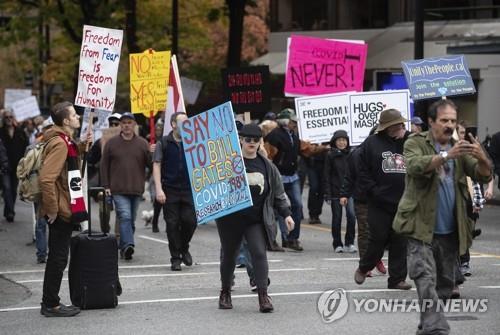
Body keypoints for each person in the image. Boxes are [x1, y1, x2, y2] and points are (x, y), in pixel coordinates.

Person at [393, 99, 492, 335]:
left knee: (445, 287)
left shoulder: (460, 147)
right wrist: (446, 156)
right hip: (420, 228)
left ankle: (427, 327)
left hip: (451, 231)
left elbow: (483, 175)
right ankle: (436, 329)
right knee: (425, 278)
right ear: (431, 122)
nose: (449, 125)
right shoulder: (415, 142)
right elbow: (415, 166)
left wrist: (481, 157)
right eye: (444, 120)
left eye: (453, 121)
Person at [217, 123, 294, 313]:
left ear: (260, 142)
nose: (251, 143)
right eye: (248, 139)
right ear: (240, 140)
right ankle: (225, 291)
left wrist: (287, 214)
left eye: (255, 140)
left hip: (255, 219)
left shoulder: (268, 167)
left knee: (259, 253)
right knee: (229, 256)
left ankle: (263, 295)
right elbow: (213, 187)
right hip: (230, 219)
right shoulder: (228, 163)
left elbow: (278, 193)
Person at [39, 101, 90, 317]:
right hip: (60, 210)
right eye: (74, 115)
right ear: (66, 121)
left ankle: (50, 301)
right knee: (58, 259)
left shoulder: (67, 142)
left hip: (63, 206)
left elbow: (66, 167)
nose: (78, 117)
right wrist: (52, 210)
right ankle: (51, 304)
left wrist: (81, 147)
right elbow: (46, 179)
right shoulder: (61, 143)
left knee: (58, 258)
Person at [354, 109, 412, 290]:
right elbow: (359, 166)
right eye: (397, 124)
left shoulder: (410, 141)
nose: (401, 127)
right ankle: (364, 267)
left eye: (402, 124)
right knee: (378, 238)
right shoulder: (372, 143)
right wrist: (373, 189)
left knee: (400, 241)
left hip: (403, 202)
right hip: (379, 202)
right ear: (388, 127)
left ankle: (397, 279)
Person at [101, 112, 151, 261]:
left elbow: (151, 164)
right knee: (125, 217)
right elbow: (104, 166)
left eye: (129, 122)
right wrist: (106, 185)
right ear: (120, 126)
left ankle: (124, 247)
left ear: (134, 125)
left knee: (131, 220)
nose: (126, 125)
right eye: (123, 123)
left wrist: (153, 153)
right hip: (117, 189)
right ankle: (129, 244)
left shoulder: (143, 143)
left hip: (136, 188)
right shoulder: (111, 143)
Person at [153, 112, 197, 271]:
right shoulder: (163, 143)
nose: (187, 125)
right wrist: (158, 189)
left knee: (190, 221)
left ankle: (184, 247)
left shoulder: (193, 142)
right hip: (170, 189)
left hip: (189, 189)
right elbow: (156, 164)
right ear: (173, 124)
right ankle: (175, 258)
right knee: (172, 224)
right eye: (182, 122)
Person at [324, 130, 356, 253]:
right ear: (334, 142)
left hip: (349, 191)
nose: (342, 143)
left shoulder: (352, 154)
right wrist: (327, 192)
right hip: (335, 190)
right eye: (339, 140)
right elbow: (326, 175)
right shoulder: (330, 155)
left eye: (344, 140)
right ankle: (337, 243)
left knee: (352, 216)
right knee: (337, 218)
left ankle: (350, 242)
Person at [0, 109, 29, 222]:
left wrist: (25, 162)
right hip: (4, 166)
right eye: (6, 117)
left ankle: (8, 212)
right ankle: (11, 212)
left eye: (10, 117)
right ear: (3, 119)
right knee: (6, 188)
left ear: (14, 118)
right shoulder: (1, 132)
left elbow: (26, 147)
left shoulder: (20, 132)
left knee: (12, 190)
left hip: (17, 165)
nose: (8, 119)